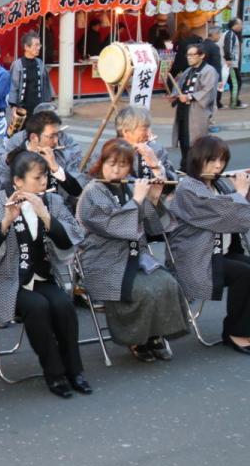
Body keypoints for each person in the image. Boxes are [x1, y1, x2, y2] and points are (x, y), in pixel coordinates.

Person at [0, 151, 91, 397]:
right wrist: (6, 222)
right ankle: (54, 373)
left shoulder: (52, 201)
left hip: (42, 275)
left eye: (45, 176)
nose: (43, 182)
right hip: (6, 281)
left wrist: (45, 215)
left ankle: (74, 370)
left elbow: (73, 236)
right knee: (38, 307)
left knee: (63, 306)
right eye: (37, 178)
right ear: (18, 181)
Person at [78, 140, 190, 363]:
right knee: (141, 291)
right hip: (105, 260)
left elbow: (152, 227)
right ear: (101, 163)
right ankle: (137, 339)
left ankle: (155, 334)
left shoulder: (129, 187)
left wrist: (153, 197)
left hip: (136, 256)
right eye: (111, 164)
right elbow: (115, 226)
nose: (116, 170)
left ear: (130, 167)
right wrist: (138, 199)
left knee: (168, 283)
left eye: (122, 165)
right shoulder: (92, 192)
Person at [167, 136, 250, 355]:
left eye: (222, 160)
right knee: (245, 274)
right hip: (196, 259)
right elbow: (221, 217)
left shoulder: (218, 184)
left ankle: (244, 326)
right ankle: (235, 332)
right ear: (198, 158)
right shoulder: (187, 189)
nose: (218, 166)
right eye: (212, 160)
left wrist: (246, 191)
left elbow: (241, 218)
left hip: (218, 253)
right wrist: (240, 194)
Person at [0, 110, 85, 207]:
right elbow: (4, 195)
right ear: (34, 137)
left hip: (56, 210)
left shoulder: (58, 155)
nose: (56, 141)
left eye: (58, 135)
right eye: (51, 136)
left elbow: (76, 191)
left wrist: (55, 168)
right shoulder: (10, 160)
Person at [170, 42, 219, 169]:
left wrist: (189, 97)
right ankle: (185, 166)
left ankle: (195, 168)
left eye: (192, 55)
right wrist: (175, 95)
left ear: (202, 55)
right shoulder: (187, 71)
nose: (189, 57)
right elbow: (179, 87)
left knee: (196, 142)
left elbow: (208, 91)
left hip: (197, 112)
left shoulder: (209, 71)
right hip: (183, 110)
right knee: (183, 139)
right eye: (188, 55)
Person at [113, 105, 175, 180]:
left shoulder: (156, 149)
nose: (149, 134)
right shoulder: (111, 152)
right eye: (144, 129)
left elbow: (172, 181)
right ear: (126, 132)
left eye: (149, 128)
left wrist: (156, 166)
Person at [7, 33, 54, 130]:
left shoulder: (40, 63)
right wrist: (13, 106)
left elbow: (46, 84)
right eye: (36, 45)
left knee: (38, 131)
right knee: (21, 133)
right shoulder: (18, 64)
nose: (39, 48)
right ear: (26, 47)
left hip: (38, 107)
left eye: (39, 45)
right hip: (23, 109)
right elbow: (13, 86)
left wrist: (48, 103)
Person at [222, 18, 243, 109]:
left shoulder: (230, 33)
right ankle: (234, 103)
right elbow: (228, 46)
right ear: (235, 25)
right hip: (231, 64)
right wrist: (228, 59)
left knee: (234, 82)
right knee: (236, 83)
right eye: (240, 24)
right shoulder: (231, 34)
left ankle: (235, 101)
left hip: (231, 63)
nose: (242, 26)